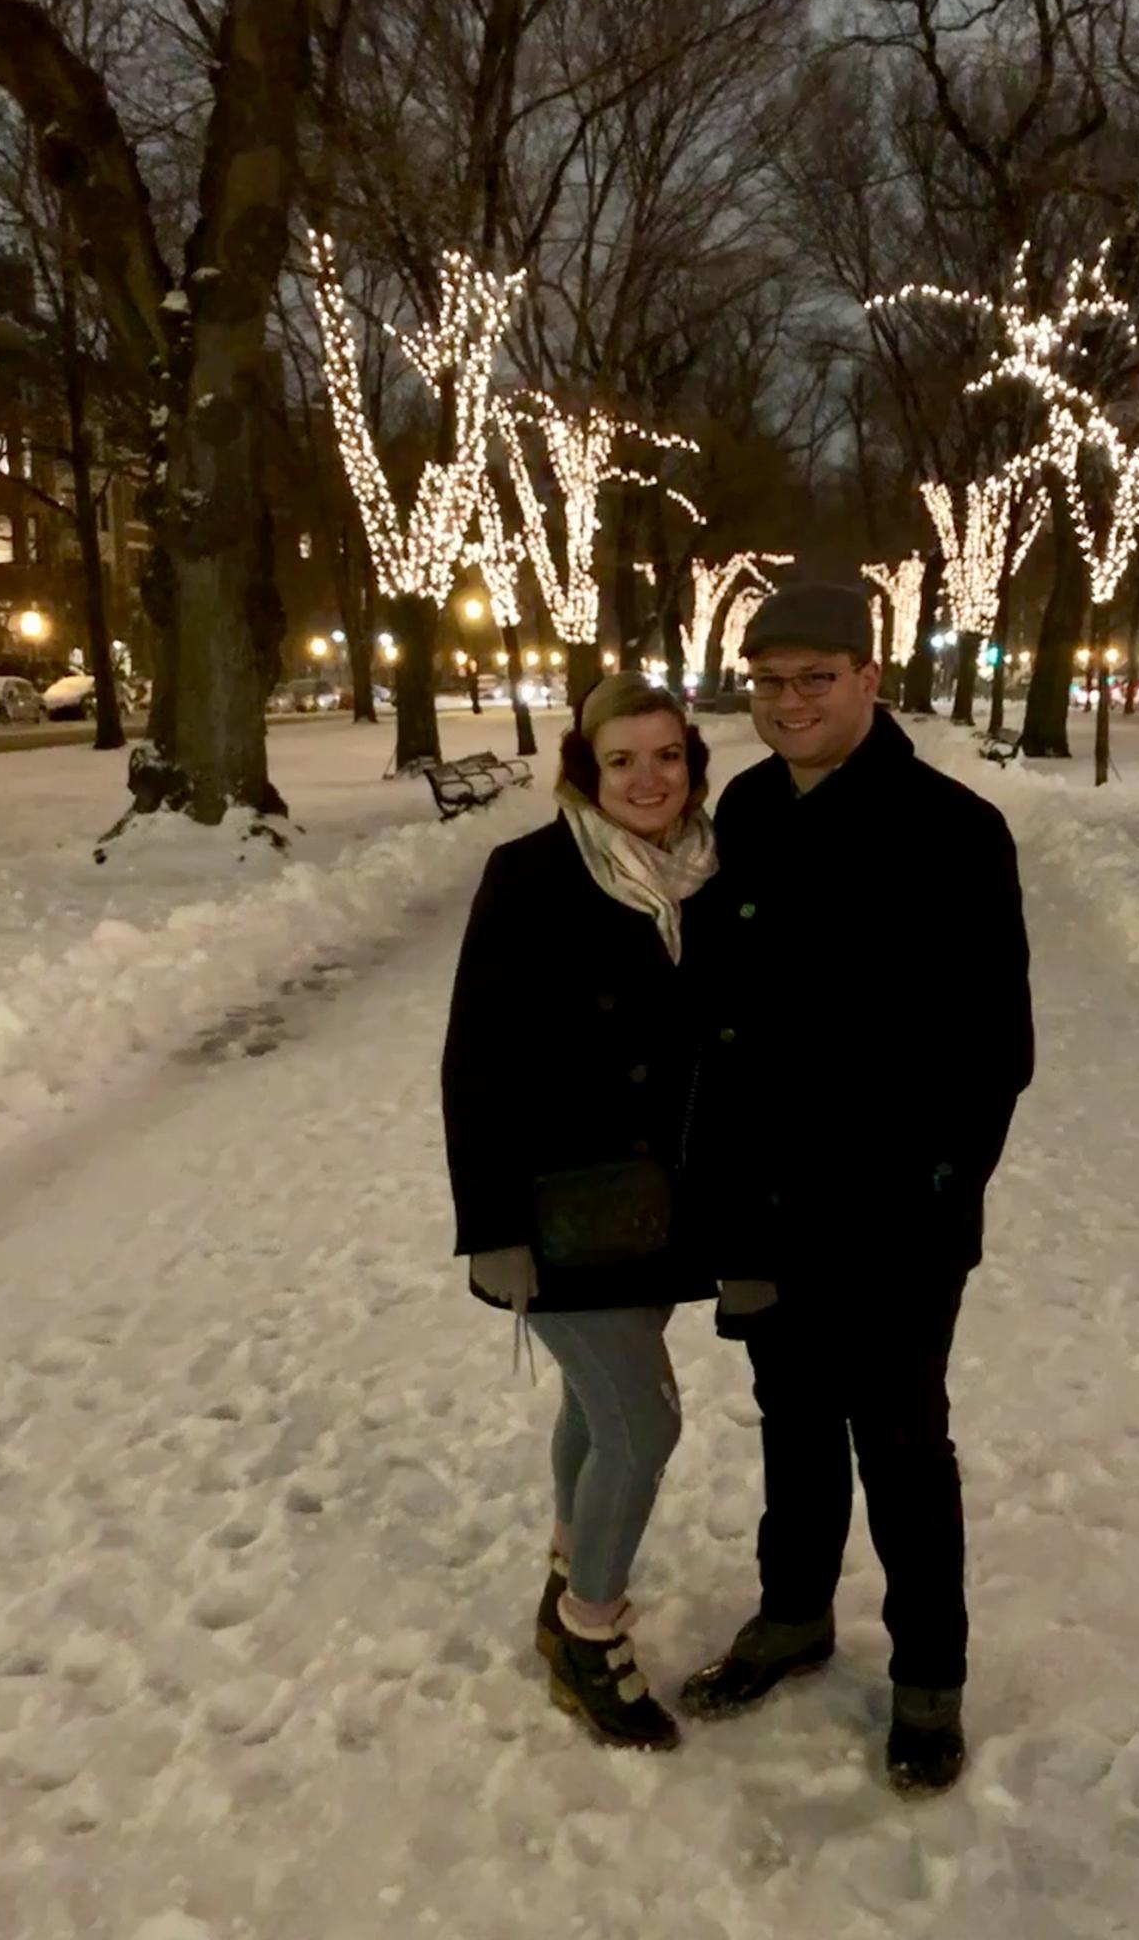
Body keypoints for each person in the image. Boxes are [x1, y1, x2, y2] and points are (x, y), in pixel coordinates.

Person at [678, 582, 1034, 1796]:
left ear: (867, 676)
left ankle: (929, 1676)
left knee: (899, 1438)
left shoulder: (951, 827)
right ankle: (793, 1614)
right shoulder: (746, 806)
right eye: (768, 680)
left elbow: (996, 1042)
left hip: (895, 1210)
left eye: (813, 677)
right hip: (769, 1196)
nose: (788, 701)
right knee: (790, 1418)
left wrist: (941, 1184)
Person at [441, 675, 718, 1752]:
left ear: (691, 761)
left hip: (654, 1208)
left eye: (667, 756)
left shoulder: (708, 871)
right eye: (622, 760)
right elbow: (475, 1061)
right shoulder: (530, 875)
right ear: (584, 769)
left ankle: (568, 1553)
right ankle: (586, 1629)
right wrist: (493, 1228)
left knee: (597, 1411)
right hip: (555, 1210)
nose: (647, 778)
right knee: (643, 1422)